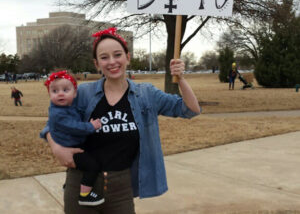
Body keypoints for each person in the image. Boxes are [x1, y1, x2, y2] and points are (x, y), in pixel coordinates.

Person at [40, 27, 201, 214]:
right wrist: (56, 148)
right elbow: (52, 124)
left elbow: (191, 110)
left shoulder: (146, 94)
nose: (112, 62)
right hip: (82, 184)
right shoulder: (83, 93)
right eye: (104, 57)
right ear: (96, 63)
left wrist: (180, 78)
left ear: (128, 57)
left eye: (117, 54)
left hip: (122, 186)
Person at [43, 70, 104, 207]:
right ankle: (85, 195)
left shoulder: (66, 107)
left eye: (65, 90)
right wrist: (91, 126)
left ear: (75, 93)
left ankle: (68, 185)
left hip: (73, 143)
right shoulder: (58, 113)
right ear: (49, 94)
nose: (60, 93)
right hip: (70, 147)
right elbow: (75, 127)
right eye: (54, 91)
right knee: (92, 166)